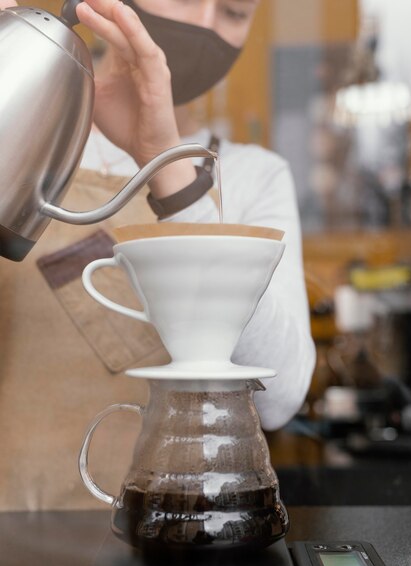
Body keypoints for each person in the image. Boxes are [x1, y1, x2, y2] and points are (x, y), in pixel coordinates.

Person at [0, 0, 315, 511]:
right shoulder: (12, 131)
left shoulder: (255, 175)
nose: (207, 25)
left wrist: (166, 164)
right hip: (12, 545)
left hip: (178, 547)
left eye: (234, 12)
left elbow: (278, 399)